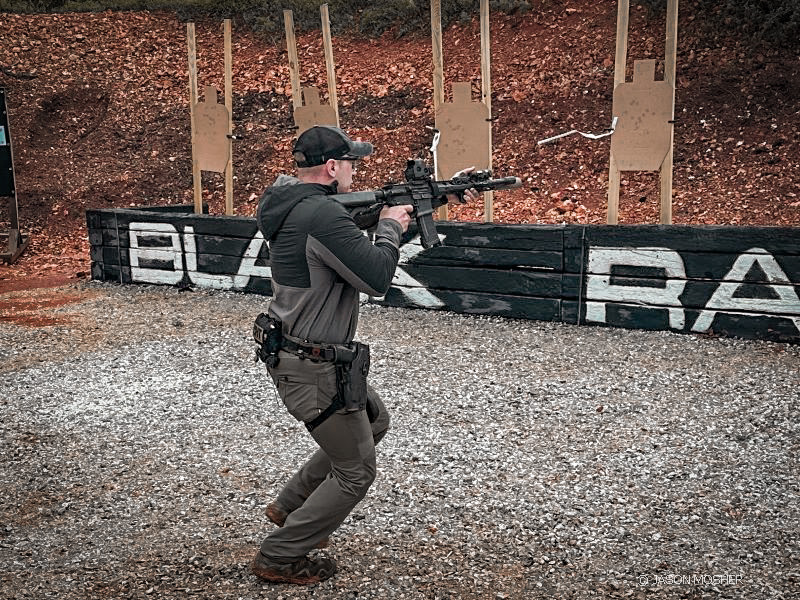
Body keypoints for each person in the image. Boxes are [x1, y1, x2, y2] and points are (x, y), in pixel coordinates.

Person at [251, 125, 477, 585]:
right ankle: (280, 554)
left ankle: (291, 506)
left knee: (374, 422)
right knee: (357, 473)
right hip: (313, 365)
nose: (356, 169)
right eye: (351, 161)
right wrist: (392, 224)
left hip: (309, 356)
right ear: (332, 167)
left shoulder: (301, 208)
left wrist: (435, 200)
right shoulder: (321, 216)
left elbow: (356, 251)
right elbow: (375, 276)